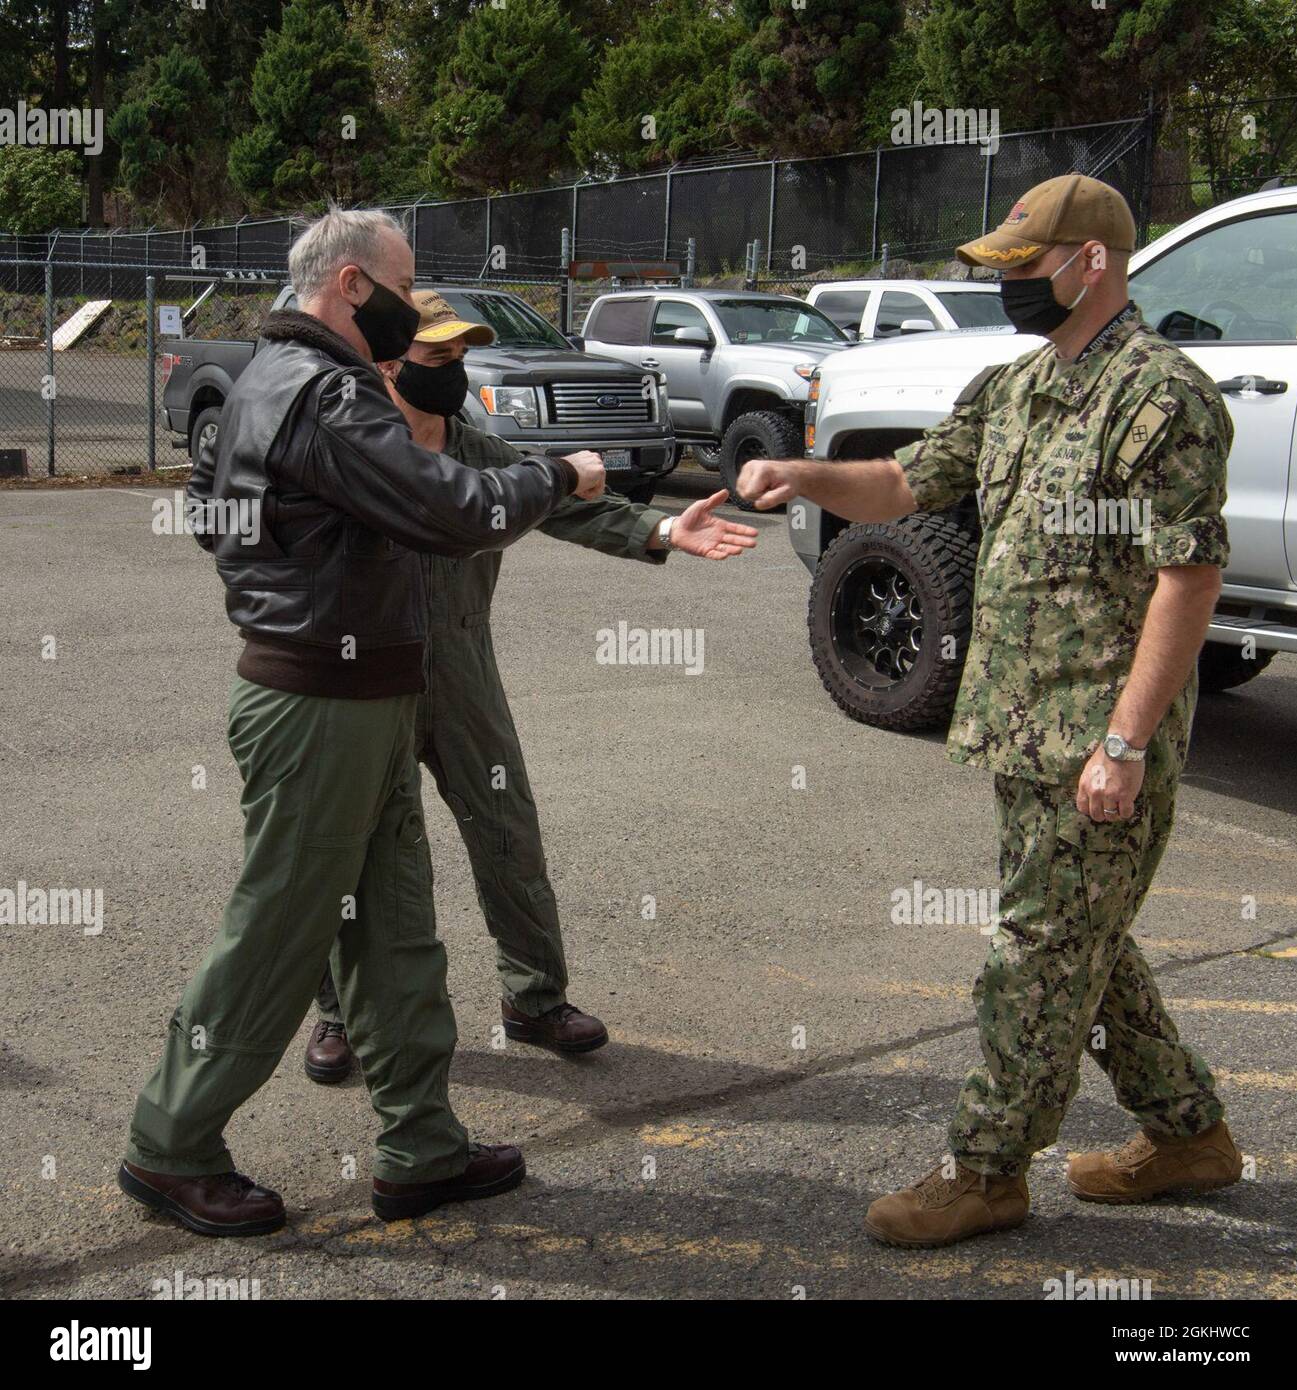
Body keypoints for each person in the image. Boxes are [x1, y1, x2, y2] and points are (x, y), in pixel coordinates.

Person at [738, 174, 1244, 1248]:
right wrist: (802, 472)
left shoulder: (1162, 399)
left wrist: (1124, 742)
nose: (1010, 284)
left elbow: (1186, 579)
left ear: (1090, 262)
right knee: (1080, 943)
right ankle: (1189, 1135)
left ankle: (985, 1169)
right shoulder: (1013, 388)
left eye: (1025, 265)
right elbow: (908, 482)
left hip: (1097, 743)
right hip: (1021, 732)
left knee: (1034, 953)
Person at [121, 208, 605, 1236]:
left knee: (391, 928)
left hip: (359, 691)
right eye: (402, 284)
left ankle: (420, 1146)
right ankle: (170, 1144)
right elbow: (451, 507)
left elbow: (214, 513)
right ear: (350, 286)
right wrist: (560, 474)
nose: (409, 305)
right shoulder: (326, 392)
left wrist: (281, 572)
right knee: (280, 929)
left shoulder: (264, 377)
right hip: (319, 707)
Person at [304, 291, 759, 1080]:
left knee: (506, 826)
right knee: (348, 850)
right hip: (362, 673)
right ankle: (338, 1014)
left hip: (461, 667)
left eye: (460, 356)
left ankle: (535, 999)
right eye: (437, 357)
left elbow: (563, 504)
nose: (456, 370)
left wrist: (660, 528)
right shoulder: (350, 447)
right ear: (389, 362)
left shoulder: (477, 450)